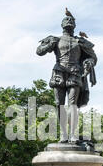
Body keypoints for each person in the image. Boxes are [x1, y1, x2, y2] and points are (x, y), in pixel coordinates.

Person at [36, 11, 97, 143]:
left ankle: (73, 135)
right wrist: (48, 45)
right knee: (59, 104)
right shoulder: (55, 39)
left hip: (75, 72)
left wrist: (88, 63)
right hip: (59, 72)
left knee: (73, 104)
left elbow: (93, 57)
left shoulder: (80, 42)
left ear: (74, 25)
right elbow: (39, 52)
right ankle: (63, 134)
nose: (69, 21)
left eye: (71, 20)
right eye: (66, 20)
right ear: (62, 24)